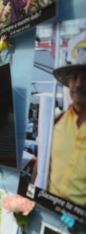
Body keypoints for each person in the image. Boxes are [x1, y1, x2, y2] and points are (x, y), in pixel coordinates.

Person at [48, 31, 86, 206]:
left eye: (85, 77)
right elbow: (42, 167)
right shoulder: (56, 121)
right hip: (49, 210)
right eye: (74, 77)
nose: (78, 84)